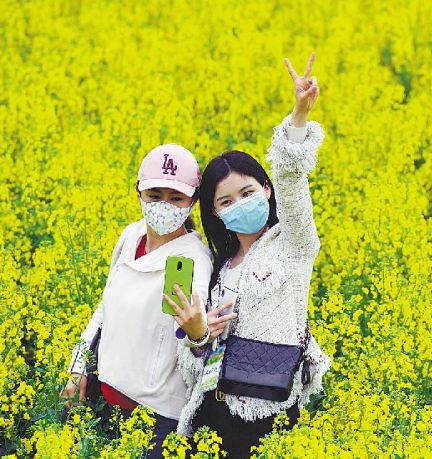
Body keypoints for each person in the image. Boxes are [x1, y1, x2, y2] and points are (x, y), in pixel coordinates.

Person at [165, 52, 331, 458]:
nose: (239, 204)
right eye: (225, 201)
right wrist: (199, 333)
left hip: (267, 413)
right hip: (212, 414)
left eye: (247, 192)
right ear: (216, 214)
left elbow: (292, 181)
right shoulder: (216, 266)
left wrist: (298, 116)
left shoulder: (293, 245)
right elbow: (200, 349)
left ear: (266, 190)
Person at [62, 144, 233, 458]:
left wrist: (198, 333)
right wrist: (78, 367)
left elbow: (186, 335)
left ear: (193, 201)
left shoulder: (188, 259)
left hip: (152, 418)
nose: (164, 206)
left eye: (176, 198)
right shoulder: (131, 235)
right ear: (138, 192)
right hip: (103, 400)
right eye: (155, 195)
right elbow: (105, 309)